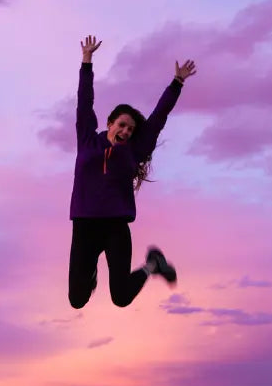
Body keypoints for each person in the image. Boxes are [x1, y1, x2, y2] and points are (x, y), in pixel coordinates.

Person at [68, 35, 196, 309]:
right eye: (122, 125)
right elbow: (84, 102)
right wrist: (86, 62)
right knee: (77, 300)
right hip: (84, 226)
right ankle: (90, 272)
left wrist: (177, 83)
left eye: (130, 129)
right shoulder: (88, 140)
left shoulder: (134, 151)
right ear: (110, 123)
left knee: (121, 298)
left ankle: (153, 265)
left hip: (115, 226)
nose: (126, 131)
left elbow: (159, 117)